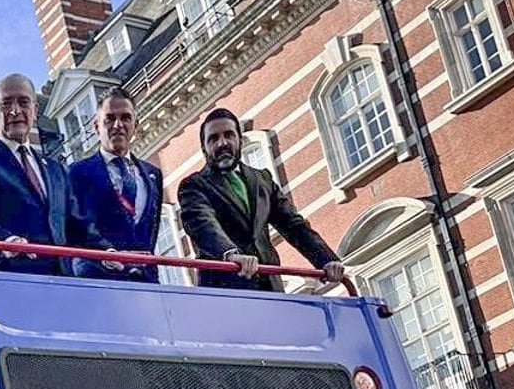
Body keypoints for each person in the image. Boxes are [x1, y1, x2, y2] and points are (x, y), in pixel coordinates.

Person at [177, 107, 347, 291]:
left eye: (229, 135)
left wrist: (326, 260)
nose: (222, 143)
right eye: (213, 139)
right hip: (226, 289)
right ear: (204, 148)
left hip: (270, 286)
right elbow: (203, 225)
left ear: (240, 140)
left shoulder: (263, 180)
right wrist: (230, 255)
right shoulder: (193, 186)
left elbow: (293, 225)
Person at [0, 74, 98, 274]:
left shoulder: (56, 170)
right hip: (10, 279)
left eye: (23, 102)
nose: (15, 111)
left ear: (35, 110)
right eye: (6, 104)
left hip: (63, 282)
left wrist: (107, 249)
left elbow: (77, 225)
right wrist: (7, 242)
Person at [66, 89, 165, 281]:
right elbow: (74, 229)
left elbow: (150, 232)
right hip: (98, 279)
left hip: (145, 281)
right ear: (96, 127)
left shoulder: (153, 175)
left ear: (135, 125)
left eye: (126, 118)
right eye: (109, 119)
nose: (118, 125)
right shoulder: (75, 173)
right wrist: (105, 254)